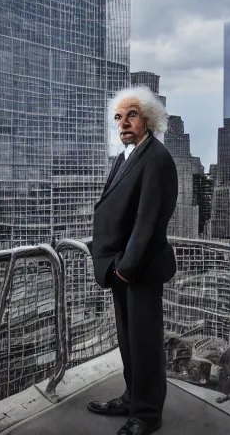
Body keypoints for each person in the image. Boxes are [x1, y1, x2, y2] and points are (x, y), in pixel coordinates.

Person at [86, 86, 178, 435]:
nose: (123, 122)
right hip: (120, 268)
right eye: (119, 117)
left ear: (149, 119)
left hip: (137, 270)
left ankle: (147, 415)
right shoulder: (126, 155)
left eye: (132, 115)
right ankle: (131, 398)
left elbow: (150, 220)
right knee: (128, 341)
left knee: (145, 345)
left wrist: (125, 269)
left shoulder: (157, 157)